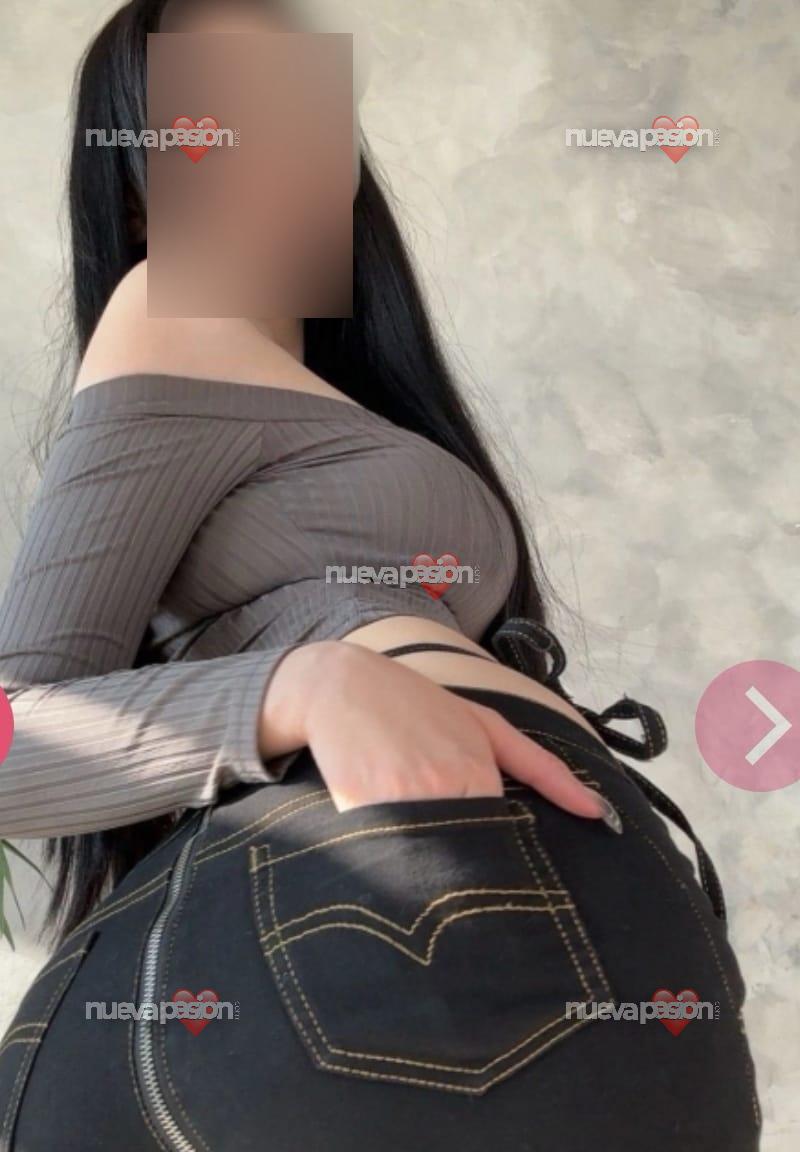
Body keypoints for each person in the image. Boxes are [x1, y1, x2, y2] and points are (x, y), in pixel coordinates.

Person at [0, 1, 761, 1149]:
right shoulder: (172, 310)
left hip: (437, 923)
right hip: (404, 923)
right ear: (141, 187)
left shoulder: (308, 392)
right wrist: (303, 687)